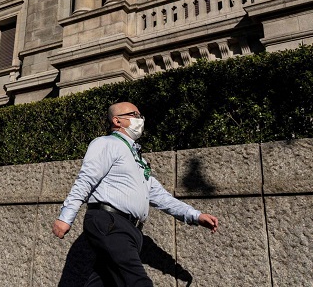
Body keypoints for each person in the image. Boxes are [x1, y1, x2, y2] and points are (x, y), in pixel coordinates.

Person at [52, 102, 218, 286]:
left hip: (129, 229)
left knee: (100, 282)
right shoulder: (106, 143)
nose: (140, 120)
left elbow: (161, 197)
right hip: (110, 223)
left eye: (140, 116)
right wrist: (66, 217)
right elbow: (85, 180)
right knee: (138, 282)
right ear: (117, 120)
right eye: (134, 114)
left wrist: (195, 216)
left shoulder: (139, 160)